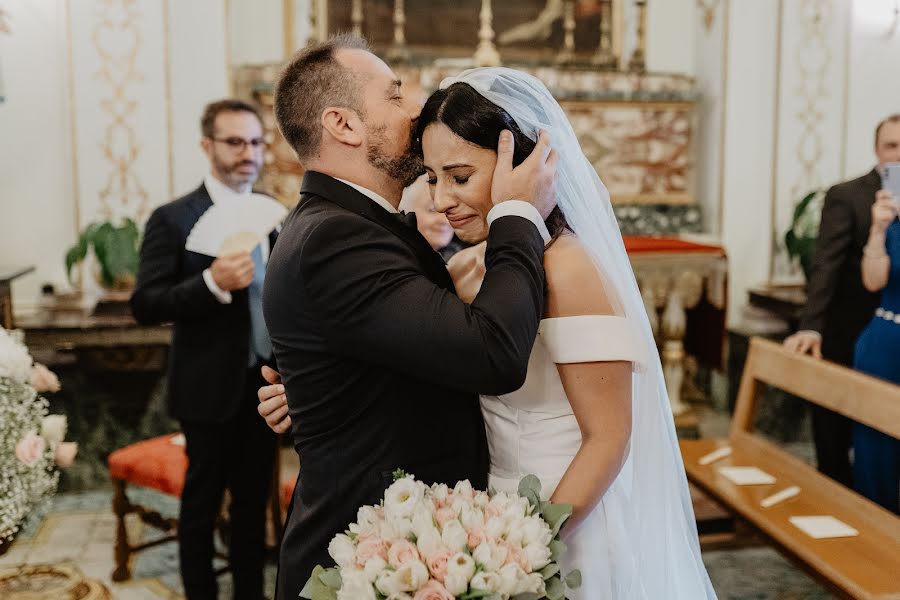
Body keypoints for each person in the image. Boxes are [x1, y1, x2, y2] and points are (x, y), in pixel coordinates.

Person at [261, 63, 716, 598]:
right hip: (470, 530)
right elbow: (466, 350)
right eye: (394, 94)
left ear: (520, 167)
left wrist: (529, 545)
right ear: (342, 124)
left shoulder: (567, 268)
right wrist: (321, 391)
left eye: (459, 177)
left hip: (552, 526)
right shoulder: (445, 262)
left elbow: (610, 435)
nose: (440, 199)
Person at [263, 36, 558, 599]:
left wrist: (318, 394)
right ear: (343, 124)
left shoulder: (349, 224)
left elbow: (381, 353)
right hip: (369, 562)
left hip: (408, 548)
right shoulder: (336, 238)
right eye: (395, 96)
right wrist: (519, 213)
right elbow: (491, 354)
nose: (416, 107)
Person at [131, 99, 278, 600]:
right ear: (207, 145)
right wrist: (210, 283)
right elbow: (145, 303)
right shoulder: (173, 219)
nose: (248, 154)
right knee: (200, 508)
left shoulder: (272, 216)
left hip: (265, 386)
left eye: (256, 142)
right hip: (206, 388)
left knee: (252, 507)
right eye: (235, 142)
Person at [783, 114, 900, 486]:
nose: (898, 156)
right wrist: (812, 327)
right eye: (891, 146)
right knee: (835, 437)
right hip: (849, 329)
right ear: (876, 150)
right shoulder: (848, 195)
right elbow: (825, 266)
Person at [852, 177, 900, 513]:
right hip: (884, 342)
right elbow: (873, 280)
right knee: (876, 452)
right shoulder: (891, 220)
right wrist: (878, 229)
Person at [400, 174, 466, 261]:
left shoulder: (465, 262)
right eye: (432, 210)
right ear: (402, 212)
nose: (445, 221)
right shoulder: (389, 261)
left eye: (449, 210)